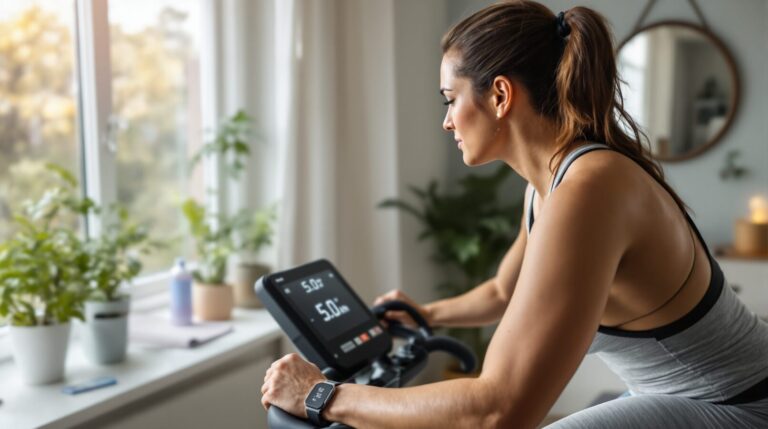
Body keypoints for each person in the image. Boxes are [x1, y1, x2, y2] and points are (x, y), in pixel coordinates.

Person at [260, 2, 768, 427]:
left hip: (738, 403)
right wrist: (425, 313)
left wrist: (323, 396)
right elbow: (504, 293)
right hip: (687, 393)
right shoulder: (549, 183)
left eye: (450, 99)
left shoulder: (590, 188)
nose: (445, 120)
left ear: (500, 95)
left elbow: (501, 411)